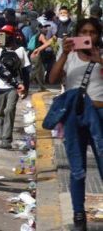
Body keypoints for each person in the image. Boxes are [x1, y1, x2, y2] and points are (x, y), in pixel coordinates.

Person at [46, 18, 103, 231]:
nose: (89, 36)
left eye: (93, 32)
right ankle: (79, 214)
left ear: (98, 35)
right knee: (77, 168)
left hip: (99, 113)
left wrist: (99, 60)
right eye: (84, 32)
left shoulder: (101, 55)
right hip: (75, 116)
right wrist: (63, 54)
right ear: (77, 34)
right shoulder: (69, 57)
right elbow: (52, 78)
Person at [0, 24, 27, 149]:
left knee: (9, 111)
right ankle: (2, 138)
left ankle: (7, 140)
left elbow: (25, 70)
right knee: (1, 112)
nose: (3, 36)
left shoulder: (20, 50)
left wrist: (25, 87)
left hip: (14, 86)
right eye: (1, 34)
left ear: (12, 36)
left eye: (6, 34)